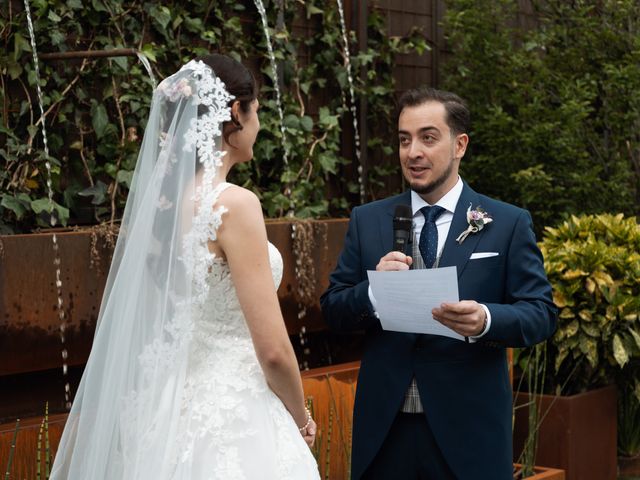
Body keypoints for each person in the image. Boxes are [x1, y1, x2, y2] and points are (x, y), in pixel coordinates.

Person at [51, 54, 320, 479]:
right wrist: (300, 415)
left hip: (169, 411)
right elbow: (272, 352)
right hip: (237, 415)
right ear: (236, 113)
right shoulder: (233, 204)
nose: (260, 124)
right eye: (258, 112)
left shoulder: (163, 209)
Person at [320, 87, 557, 479]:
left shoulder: (508, 223)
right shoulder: (368, 220)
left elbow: (541, 314)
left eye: (428, 138)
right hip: (385, 434)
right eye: (404, 140)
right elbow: (334, 307)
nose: (413, 151)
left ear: (460, 144)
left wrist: (485, 319)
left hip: (469, 437)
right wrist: (374, 292)